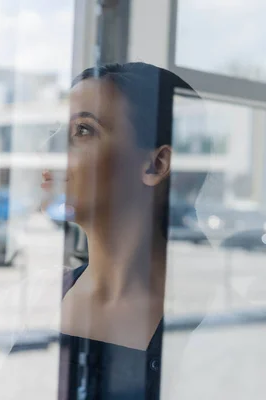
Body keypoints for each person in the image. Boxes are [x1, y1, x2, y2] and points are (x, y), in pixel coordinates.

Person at [41, 62, 199, 400]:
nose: (51, 151)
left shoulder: (208, 327)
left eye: (82, 130)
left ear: (155, 165)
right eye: (57, 130)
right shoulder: (33, 300)